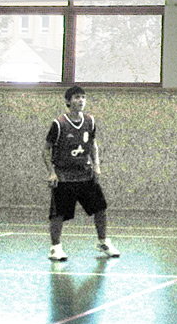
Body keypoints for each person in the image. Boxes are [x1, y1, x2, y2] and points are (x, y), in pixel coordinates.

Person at [43, 86, 120, 262]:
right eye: (77, 97)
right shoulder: (59, 124)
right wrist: (51, 173)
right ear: (68, 101)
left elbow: (93, 145)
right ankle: (55, 247)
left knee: (100, 208)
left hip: (85, 174)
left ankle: (103, 242)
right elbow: (45, 150)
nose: (81, 100)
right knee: (58, 214)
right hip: (64, 176)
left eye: (83, 97)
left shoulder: (90, 121)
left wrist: (96, 165)